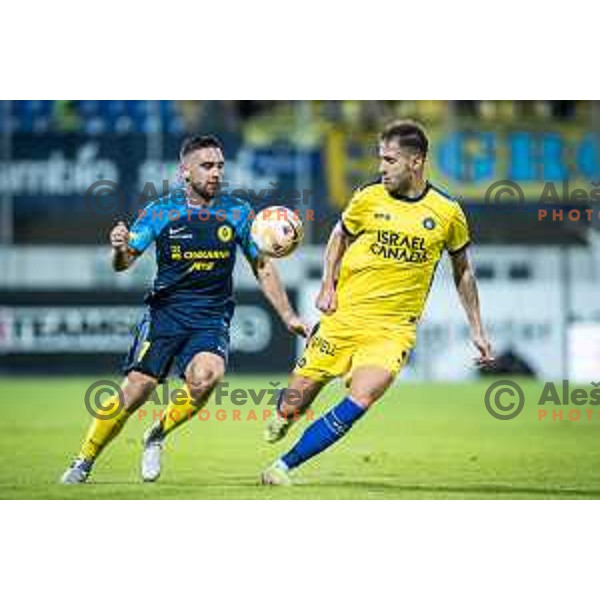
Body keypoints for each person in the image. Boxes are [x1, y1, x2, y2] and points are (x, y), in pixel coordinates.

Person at [61, 134, 308, 484]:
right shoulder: (161, 211)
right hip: (165, 314)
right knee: (136, 390)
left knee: (208, 376)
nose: (215, 173)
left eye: (220, 166)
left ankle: (157, 433)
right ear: (185, 172)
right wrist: (119, 248)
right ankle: (83, 461)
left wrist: (289, 316)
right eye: (207, 166)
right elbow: (124, 262)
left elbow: (262, 266)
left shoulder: (238, 212)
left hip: (210, 317)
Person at [261, 120, 494, 485]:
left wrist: (477, 329)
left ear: (416, 162)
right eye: (380, 159)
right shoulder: (368, 197)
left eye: (390, 160)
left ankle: (283, 465)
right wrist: (327, 285)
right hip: (343, 318)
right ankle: (283, 418)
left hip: (393, 331)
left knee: (362, 397)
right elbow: (340, 235)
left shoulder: (447, 212)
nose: (381, 168)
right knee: (293, 401)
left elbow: (463, 270)